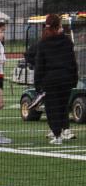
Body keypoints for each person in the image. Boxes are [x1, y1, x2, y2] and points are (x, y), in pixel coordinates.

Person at [34, 13, 78, 145]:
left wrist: (37, 84)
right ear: (58, 25)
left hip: (50, 80)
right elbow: (73, 62)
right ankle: (63, 130)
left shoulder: (43, 43)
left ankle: (57, 134)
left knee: (52, 108)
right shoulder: (67, 41)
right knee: (63, 106)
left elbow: (39, 65)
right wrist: (74, 79)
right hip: (66, 78)